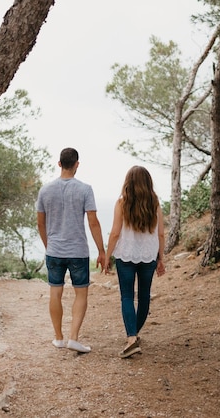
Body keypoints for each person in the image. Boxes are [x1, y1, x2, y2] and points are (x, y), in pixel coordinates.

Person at [36, 147, 106, 353]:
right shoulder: (85, 189)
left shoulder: (45, 190)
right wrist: (101, 251)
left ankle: (58, 338)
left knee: (55, 293)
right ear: (77, 164)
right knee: (81, 294)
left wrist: (48, 245)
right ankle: (74, 338)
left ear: (59, 164)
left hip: (55, 250)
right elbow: (93, 223)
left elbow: (41, 223)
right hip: (78, 251)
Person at [105, 165, 165, 358]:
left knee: (127, 296)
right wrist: (161, 257)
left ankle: (131, 338)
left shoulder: (122, 203)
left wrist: (107, 256)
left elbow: (115, 233)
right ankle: (134, 335)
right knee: (144, 296)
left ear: (128, 182)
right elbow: (161, 233)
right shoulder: (154, 202)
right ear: (148, 182)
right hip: (148, 255)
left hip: (126, 254)